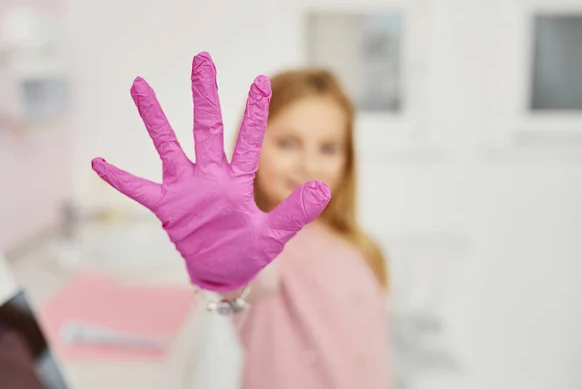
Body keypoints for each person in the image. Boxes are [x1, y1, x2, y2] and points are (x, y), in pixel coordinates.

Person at [91, 52, 391, 389]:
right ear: (255, 146)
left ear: (348, 161)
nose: (309, 164)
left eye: (328, 148)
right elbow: (236, 282)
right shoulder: (266, 251)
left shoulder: (360, 246)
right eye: (288, 143)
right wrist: (218, 250)